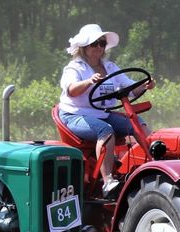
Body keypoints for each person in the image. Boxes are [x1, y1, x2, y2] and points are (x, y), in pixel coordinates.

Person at [57, 23, 153, 198]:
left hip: (103, 113)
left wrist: (144, 86)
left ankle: (155, 163)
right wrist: (88, 82)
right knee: (105, 130)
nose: (99, 47)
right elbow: (71, 89)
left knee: (136, 122)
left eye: (102, 43)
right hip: (75, 115)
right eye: (94, 44)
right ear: (84, 47)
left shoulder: (110, 68)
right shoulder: (75, 68)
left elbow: (130, 88)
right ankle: (108, 181)